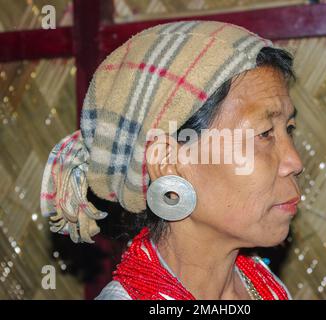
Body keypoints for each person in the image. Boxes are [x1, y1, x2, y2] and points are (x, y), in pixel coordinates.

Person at [41, 20, 303, 300]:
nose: (294, 161)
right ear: (168, 162)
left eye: (288, 129)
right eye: (264, 133)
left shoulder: (265, 288)